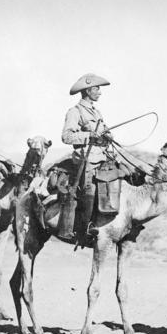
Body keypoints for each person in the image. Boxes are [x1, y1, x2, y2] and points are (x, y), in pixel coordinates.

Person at [58, 73, 114, 241]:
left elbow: (102, 131)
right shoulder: (75, 112)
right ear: (88, 90)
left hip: (102, 157)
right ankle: (84, 228)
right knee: (90, 190)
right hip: (86, 159)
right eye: (97, 89)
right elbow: (66, 136)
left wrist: (107, 135)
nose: (100, 93)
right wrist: (89, 135)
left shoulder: (97, 112)